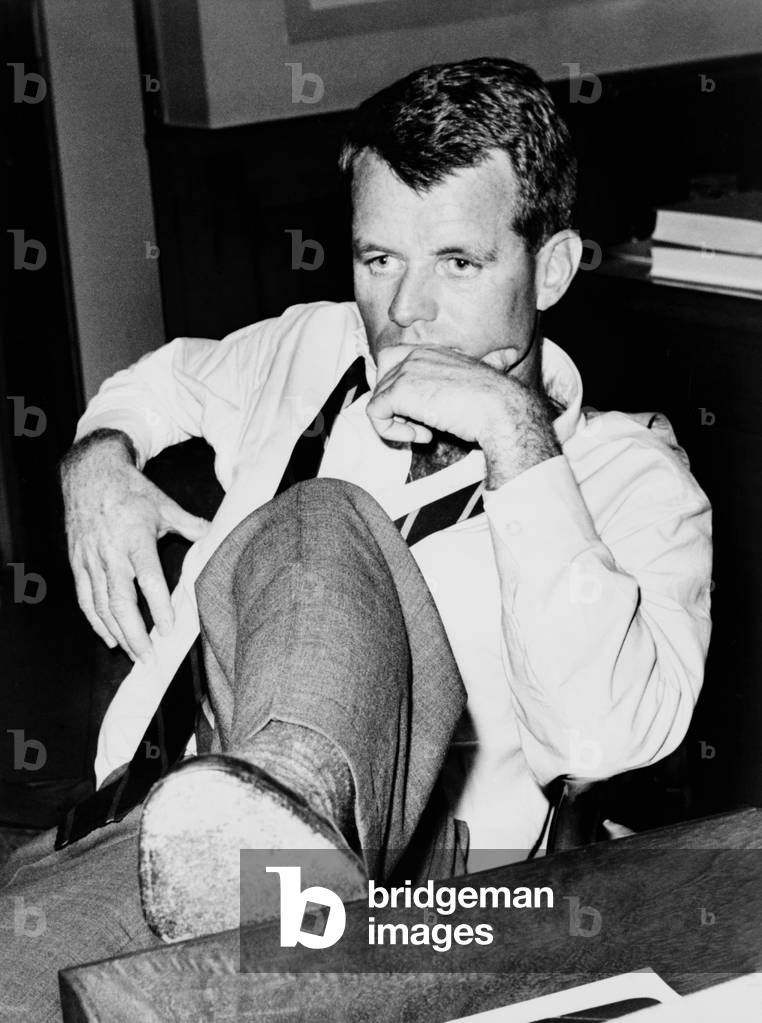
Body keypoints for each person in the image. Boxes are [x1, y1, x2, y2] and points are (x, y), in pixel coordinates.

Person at [1, 56, 711, 1020]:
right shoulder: (314, 349)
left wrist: (517, 441)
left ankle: (277, 845)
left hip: (404, 926)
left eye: (458, 263)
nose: (405, 310)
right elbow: (166, 379)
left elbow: (602, 737)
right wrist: (98, 462)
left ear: (550, 267)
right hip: (124, 843)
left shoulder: (632, 482)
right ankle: (236, 868)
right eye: (381, 260)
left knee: (325, 523)